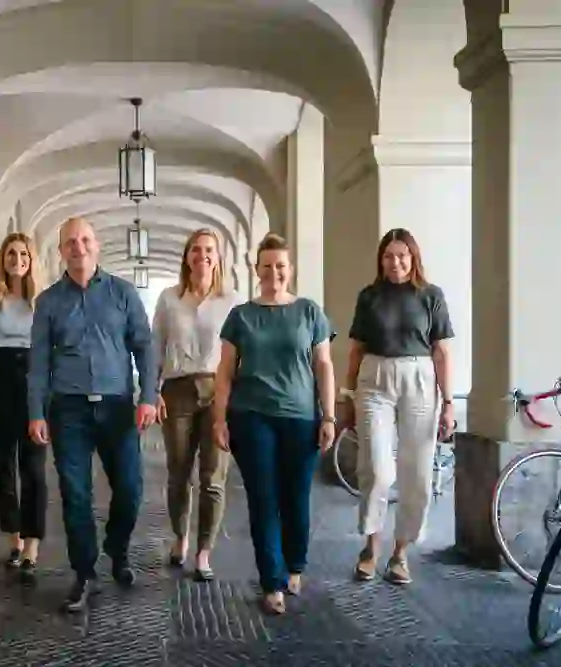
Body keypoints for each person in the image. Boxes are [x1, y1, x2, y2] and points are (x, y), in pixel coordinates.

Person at [27, 216, 158, 613]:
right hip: (69, 410)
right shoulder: (48, 302)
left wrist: (148, 396)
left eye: (85, 240)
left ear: (96, 246)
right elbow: (38, 362)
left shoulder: (122, 293)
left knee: (131, 489)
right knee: (75, 495)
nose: (78, 247)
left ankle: (116, 549)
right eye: (70, 241)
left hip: (118, 406)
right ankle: (84, 572)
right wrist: (36, 412)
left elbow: (145, 347)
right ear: (61, 251)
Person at [212, 233, 336, 615]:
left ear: (290, 269)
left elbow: (324, 366)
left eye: (280, 266)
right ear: (257, 270)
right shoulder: (241, 316)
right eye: (266, 266)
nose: (274, 272)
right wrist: (219, 418)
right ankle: (272, 581)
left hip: (301, 417)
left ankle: (294, 563)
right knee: (263, 499)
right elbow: (225, 372)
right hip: (252, 416)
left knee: (296, 498)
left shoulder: (310, 312)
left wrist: (328, 415)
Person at [341, 228, 455, 586]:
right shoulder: (369, 296)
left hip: (420, 381)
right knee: (376, 470)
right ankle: (371, 547)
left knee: (417, 473)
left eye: (402, 256)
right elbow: (356, 349)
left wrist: (449, 402)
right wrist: (347, 397)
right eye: (389, 256)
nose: (396, 262)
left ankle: (401, 553)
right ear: (381, 260)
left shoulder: (431, 296)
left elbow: (441, 351)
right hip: (374, 380)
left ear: (413, 257)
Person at [152, 229, 243, 581]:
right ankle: (180, 538)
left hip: (219, 391)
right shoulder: (169, 299)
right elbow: (155, 345)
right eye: (196, 249)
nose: (202, 255)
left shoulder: (232, 301)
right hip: (177, 390)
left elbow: (242, 354)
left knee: (214, 477)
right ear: (186, 257)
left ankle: (204, 550)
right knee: (178, 473)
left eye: (209, 250)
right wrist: (151, 390)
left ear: (218, 258)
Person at [0, 232, 47, 581]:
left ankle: (33, 545)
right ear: (2, 259)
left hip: (34, 380)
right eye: (10, 253)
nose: (16, 259)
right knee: (1, 465)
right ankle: (15, 537)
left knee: (33, 468)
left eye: (22, 253)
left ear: (31, 259)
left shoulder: (43, 300)